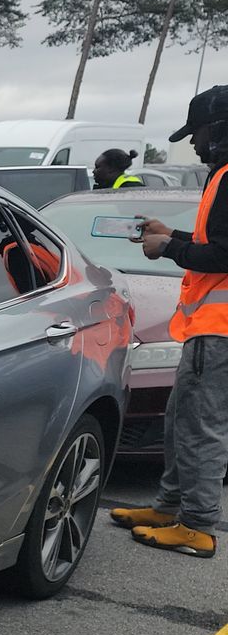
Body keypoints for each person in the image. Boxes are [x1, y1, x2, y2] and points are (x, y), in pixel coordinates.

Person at [110, 85, 228, 557]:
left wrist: (169, 248)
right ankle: (170, 506)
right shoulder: (220, 177)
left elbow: (222, 253)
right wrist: (172, 233)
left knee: (201, 427)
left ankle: (196, 526)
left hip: (217, 331)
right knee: (181, 419)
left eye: (198, 133)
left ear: (218, 130)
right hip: (207, 329)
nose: (194, 144)